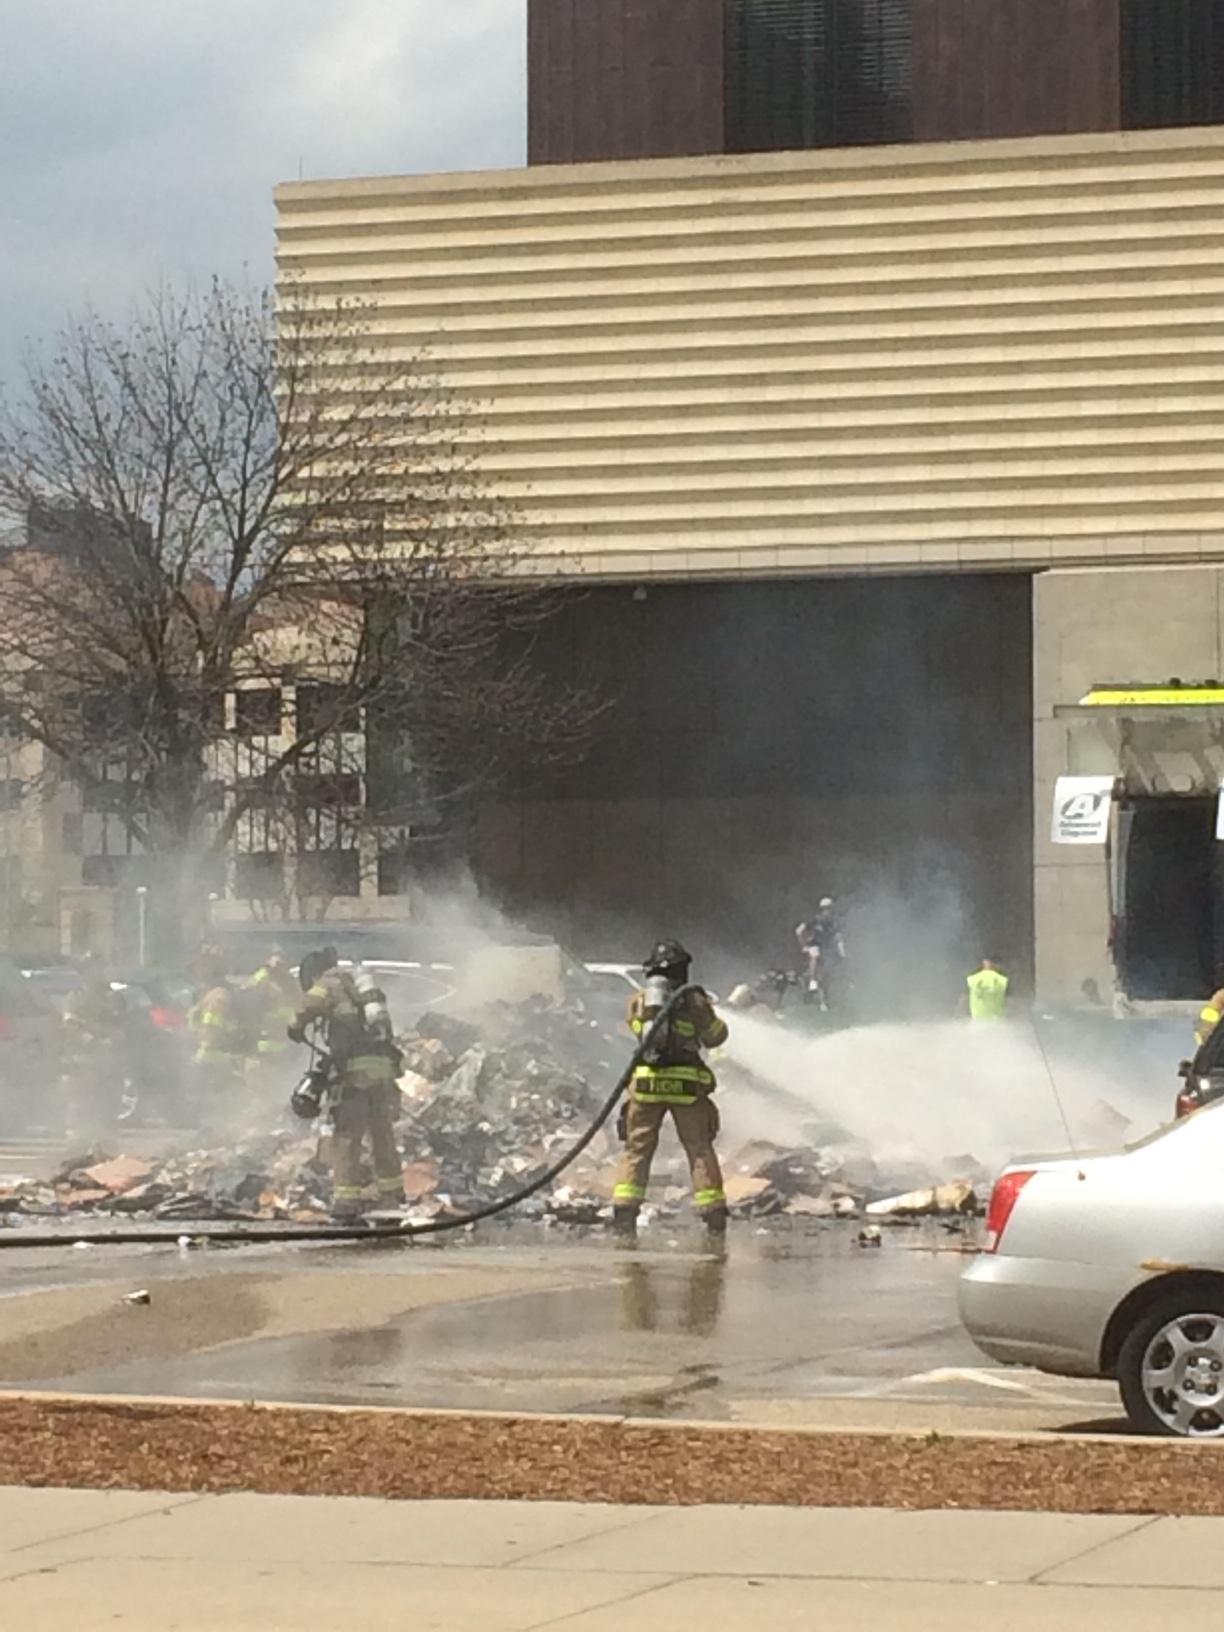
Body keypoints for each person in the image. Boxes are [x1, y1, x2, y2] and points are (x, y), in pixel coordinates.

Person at [612, 939, 729, 1249]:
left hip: (646, 1085)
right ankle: (713, 1214)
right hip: (686, 1086)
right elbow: (715, 1037)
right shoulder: (695, 1002)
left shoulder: (638, 1001)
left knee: (637, 1149)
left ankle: (625, 1212)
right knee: (699, 1148)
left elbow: (636, 1031)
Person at [288, 946, 404, 1219]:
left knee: (347, 1136)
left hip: (354, 1072)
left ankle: (346, 1201)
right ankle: (393, 1195)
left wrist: (294, 1027)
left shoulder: (326, 983)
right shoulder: (362, 989)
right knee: (381, 1133)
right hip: (382, 1069)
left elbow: (307, 1007)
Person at [62, 956, 128, 1133]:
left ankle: (107, 1148)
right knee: (81, 1108)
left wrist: (111, 1042)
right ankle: (78, 1148)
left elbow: (122, 1026)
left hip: (110, 1062)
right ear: (84, 973)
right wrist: (93, 1041)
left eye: (101, 968)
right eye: (93, 969)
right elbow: (71, 1027)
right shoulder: (75, 998)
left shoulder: (115, 998)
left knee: (108, 1109)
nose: (99, 973)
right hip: (84, 1061)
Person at [967, 957, 1010, 1021]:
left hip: (977, 1018)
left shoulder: (973, 978)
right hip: (995, 1018)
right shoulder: (1002, 980)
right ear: (995, 965)